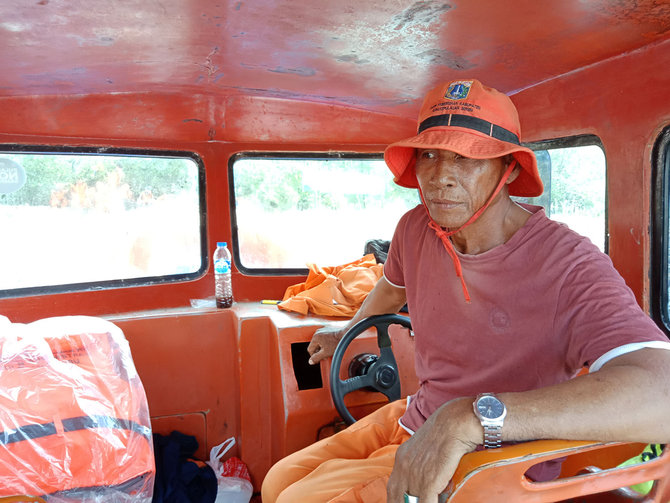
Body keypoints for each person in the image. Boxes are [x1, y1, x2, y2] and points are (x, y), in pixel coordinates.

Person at [261, 79, 670, 503]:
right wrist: (346, 328)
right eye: (431, 154)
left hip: (494, 460)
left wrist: (470, 418)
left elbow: (662, 393)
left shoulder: (568, 263)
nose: (441, 177)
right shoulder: (415, 228)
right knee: (277, 481)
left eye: (467, 157)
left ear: (509, 168)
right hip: (418, 413)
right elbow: (390, 289)